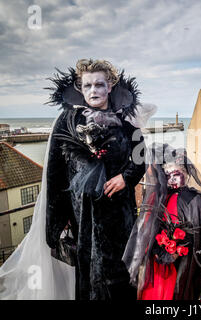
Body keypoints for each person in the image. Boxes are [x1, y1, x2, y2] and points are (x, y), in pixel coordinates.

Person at [45, 59, 146, 300]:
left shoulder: (126, 121)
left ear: (110, 86)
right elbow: (55, 172)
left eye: (99, 84)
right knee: (91, 280)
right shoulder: (68, 120)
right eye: (87, 85)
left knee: (121, 280)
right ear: (79, 87)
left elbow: (141, 159)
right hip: (84, 219)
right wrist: (57, 221)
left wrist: (126, 177)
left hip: (120, 216)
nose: (93, 91)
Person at [123, 143, 201, 300]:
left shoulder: (190, 201)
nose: (172, 180)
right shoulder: (165, 200)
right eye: (167, 176)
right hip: (161, 268)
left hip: (175, 269)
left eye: (176, 175)